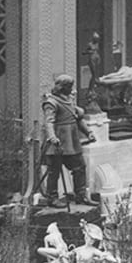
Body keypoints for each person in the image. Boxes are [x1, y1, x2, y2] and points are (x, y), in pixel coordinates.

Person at [39, 74, 94, 206]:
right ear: (62, 87)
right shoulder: (51, 103)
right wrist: (52, 137)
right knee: (54, 172)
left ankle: (80, 196)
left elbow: (78, 119)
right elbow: (49, 122)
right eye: (69, 86)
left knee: (80, 167)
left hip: (72, 142)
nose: (72, 88)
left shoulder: (69, 100)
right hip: (57, 143)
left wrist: (89, 132)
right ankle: (52, 198)